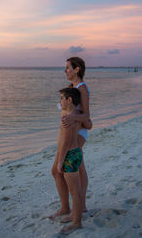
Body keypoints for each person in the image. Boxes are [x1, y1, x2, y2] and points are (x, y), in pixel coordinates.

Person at [50, 57, 92, 223]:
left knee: (73, 170)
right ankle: (72, 208)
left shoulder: (82, 88)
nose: (65, 70)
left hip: (78, 134)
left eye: (67, 67)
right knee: (75, 169)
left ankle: (75, 208)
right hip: (70, 131)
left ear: (77, 69)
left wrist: (75, 117)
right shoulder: (70, 88)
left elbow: (86, 115)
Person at [52, 87, 83, 234]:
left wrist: (60, 162)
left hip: (69, 155)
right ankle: (74, 217)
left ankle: (77, 222)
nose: (59, 102)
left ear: (69, 100)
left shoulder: (67, 118)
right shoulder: (76, 114)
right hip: (76, 153)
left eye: (61, 99)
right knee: (74, 190)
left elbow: (66, 142)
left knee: (74, 191)